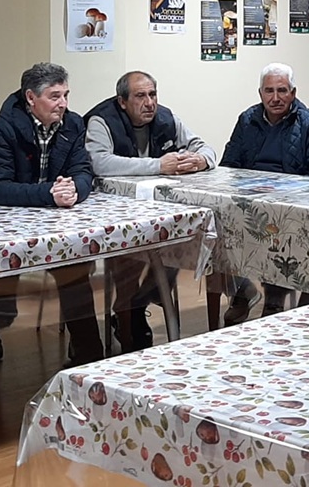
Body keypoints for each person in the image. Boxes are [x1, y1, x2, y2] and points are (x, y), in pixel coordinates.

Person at [0, 62, 102, 366]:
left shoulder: (73, 124)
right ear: (31, 98)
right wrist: (48, 193)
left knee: (75, 275)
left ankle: (89, 355)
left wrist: (75, 189)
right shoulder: (2, 128)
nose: (63, 104)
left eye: (66, 95)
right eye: (54, 96)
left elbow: (83, 170)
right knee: (3, 310)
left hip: (56, 224)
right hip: (6, 227)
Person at [84, 70, 216, 352]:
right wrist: (158, 165)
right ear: (122, 101)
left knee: (185, 241)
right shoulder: (101, 120)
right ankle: (129, 314)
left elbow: (205, 147)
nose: (149, 103)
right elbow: (98, 162)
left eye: (153, 95)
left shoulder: (166, 117)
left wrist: (201, 160)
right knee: (130, 258)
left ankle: (138, 302)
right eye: (140, 96)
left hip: (159, 210)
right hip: (116, 213)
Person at [220, 62, 309, 322]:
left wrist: (288, 193)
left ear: (293, 93)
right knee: (215, 226)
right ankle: (241, 291)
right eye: (269, 91)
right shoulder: (247, 119)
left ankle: (274, 301)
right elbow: (229, 166)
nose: (275, 98)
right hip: (251, 200)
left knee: (280, 227)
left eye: (282, 90)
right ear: (260, 93)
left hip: (292, 204)